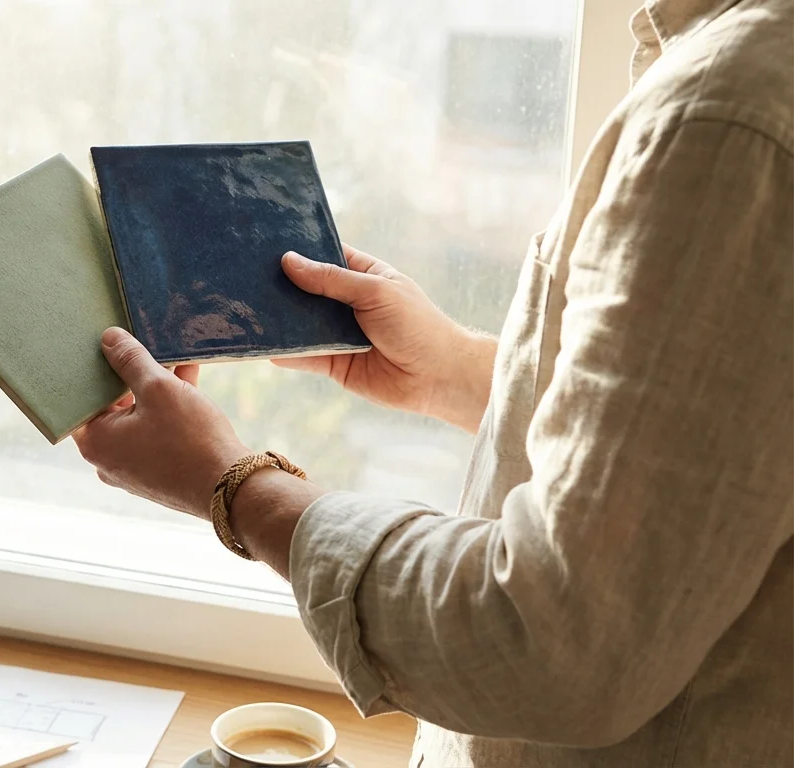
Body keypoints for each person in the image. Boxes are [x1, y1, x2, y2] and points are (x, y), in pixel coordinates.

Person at [72, 0, 792, 765]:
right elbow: (716, 450)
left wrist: (235, 486)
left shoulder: (729, 118)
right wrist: (458, 373)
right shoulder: (725, 79)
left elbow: (551, 641)